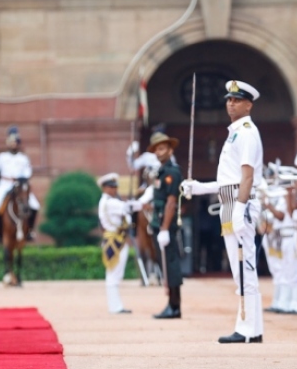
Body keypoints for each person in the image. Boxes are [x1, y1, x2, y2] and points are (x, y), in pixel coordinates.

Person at [182, 80, 265, 343]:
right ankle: (249, 326)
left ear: (249, 104)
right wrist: (198, 188)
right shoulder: (235, 133)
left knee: (245, 269)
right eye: (229, 99)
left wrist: (240, 209)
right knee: (238, 270)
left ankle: (249, 329)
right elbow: (228, 180)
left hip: (241, 205)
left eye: (237, 100)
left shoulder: (248, 131)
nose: (231, 103)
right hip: (229, 204)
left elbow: (247, 177)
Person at [147, 131, 184, 319]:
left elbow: (171, 202)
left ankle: (175, 306)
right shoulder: (160, 172)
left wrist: (164, 229)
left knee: (171, 265)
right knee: (166, 266)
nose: (159, 152)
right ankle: (171, 304)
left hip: (166, 225)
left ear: (170, 150)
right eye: (156, 149)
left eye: (162, 148)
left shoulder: (172, 172)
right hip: (159, 223)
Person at [0, 126, 40, 242]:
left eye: (15, 142)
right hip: (4, 185)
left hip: (19, 186)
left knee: (35, 206)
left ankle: (29, 231)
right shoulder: (1, 157)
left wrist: (21, 180)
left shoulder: (23, 158)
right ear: (7, 143)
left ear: (18, 143)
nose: (13, 144)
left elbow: (28, 173)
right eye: (11, 142)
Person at [97, 172, 142, 313]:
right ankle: (115, 307)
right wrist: (139, 200)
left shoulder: (108, 201)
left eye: (115, 187)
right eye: (111, 187)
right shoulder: (110, 202)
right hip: (115, 241)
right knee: (113, 276)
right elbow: (128, 208)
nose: (114, 190)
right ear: (105, 188)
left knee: (114, 275)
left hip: (115, 239)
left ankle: (116, 306)